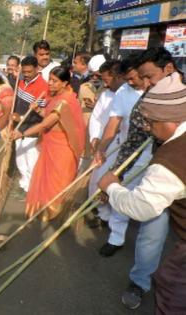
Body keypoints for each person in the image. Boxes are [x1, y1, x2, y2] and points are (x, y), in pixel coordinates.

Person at [98, 74, 186, 315]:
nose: (147, 128)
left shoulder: (170, 160)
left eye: (151, 122)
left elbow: (141, 207)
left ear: (171, 121)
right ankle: (141, 281)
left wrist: (111, 186)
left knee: (172, 288)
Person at [93, 56, 149, 257]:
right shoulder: (124, 91)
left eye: (133, 78)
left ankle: (147, 251)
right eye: (127, 79)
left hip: (155, 156)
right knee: (120, 193)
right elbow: (113, 124)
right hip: (129, 152)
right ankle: (116, 238)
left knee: (152, 207)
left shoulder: (157, 90)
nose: (130, 82)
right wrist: (101, 148)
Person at [13, 66, 85, 219]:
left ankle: (56, 213)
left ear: (65, 83)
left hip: (62, 148)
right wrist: (37, 110)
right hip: (50, 144)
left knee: (58, 182)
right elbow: (48, 115)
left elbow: (45, 124)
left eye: (55, 81)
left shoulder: (65, 101)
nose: (50, 83)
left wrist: (22, 133)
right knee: (46, 179)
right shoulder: (55, 97)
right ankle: (44, 211)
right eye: (50, 80)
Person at [87, 60, 125, 227]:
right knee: (97, 180)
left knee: (115, 184)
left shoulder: (130, 95)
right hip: (102, 146)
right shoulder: (105, 95)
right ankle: (102, 214)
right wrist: (95, 138)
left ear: (117, 77)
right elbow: (96, 118)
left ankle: (115, 226)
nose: (104, 83)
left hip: (119, 148)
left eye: (107, 79)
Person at [12, 56, 49, 196]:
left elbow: (41, 114)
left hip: (32, 130)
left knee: (31, 162)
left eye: (29, 72)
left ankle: (32, 189)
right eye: (24, 71)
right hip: (18, 128)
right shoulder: (20, 82)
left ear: (37, 69)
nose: (26, 75)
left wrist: (20, 117)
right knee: (20, 159)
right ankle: (24, 185)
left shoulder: (43, 87)